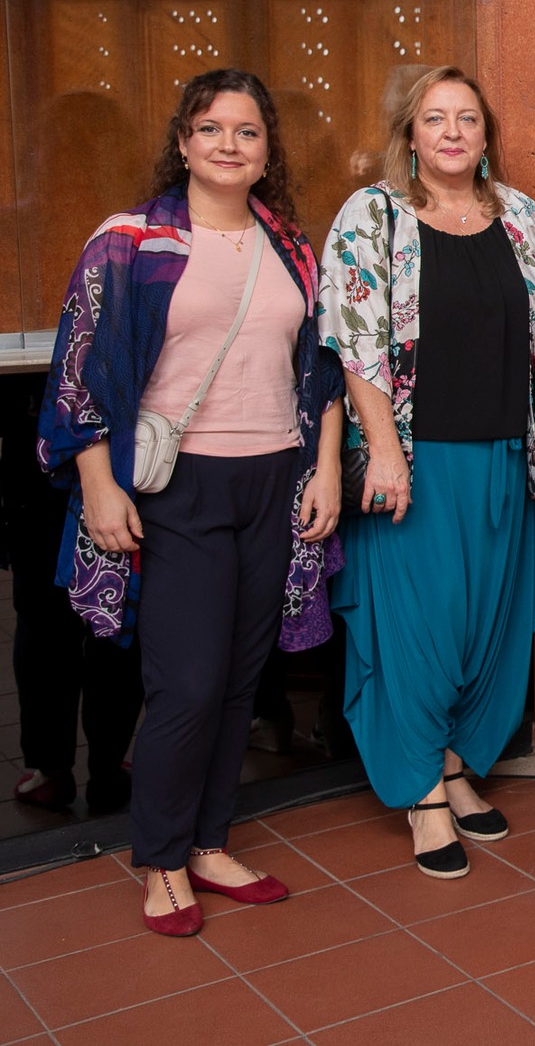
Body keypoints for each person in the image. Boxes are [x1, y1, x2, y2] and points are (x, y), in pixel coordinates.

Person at [38, 68, 344, 936]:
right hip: (178, 485)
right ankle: (162, 858)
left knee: (245, 678)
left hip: (273, 479)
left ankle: (211, 842)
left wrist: (323, 470)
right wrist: (98, 480)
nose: (228, 145)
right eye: (210, 129)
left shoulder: (288, 244)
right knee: (188, 681)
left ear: (265, 151)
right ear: (182, 142)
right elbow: (79, 373)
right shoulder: (130, 241)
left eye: (246, 132)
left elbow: (317, 372)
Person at [318, 66, 535, 879]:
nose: (452, 132)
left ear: (486, 133)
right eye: (434, 118)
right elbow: (354, 342)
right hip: (415, 463)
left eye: (467, 119)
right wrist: (382, 448)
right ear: (409, 133)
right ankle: (420, 792)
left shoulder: (524, 217)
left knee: (481, 628)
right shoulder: (372, 216)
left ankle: (452, 762)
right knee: (417, 632)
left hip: (499, 456)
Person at [6, 370, 142, 815]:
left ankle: (53, 770)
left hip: (44, 450)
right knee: (114, 616)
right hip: (110, 445)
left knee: (48, 622)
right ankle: (103, 770)